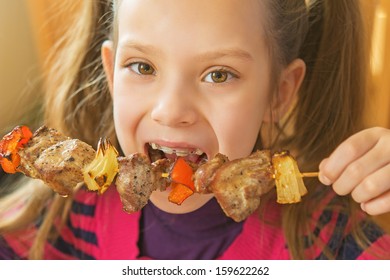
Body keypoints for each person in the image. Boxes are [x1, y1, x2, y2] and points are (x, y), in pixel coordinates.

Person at [1, 0, 390, 260]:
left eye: (218, 74)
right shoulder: (51, 226)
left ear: (279, 92)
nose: (171, 111)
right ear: (111, 74)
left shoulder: (335, 245)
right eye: (143, 67)